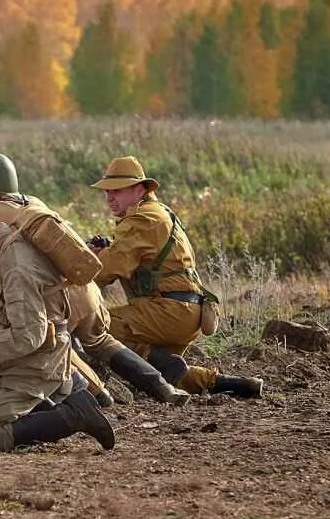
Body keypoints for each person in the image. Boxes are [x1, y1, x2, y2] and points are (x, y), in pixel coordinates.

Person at [0, 151, 190, 406]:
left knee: (51, 345)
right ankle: (162, 387)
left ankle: (98, 397)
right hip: (81, 284)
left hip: (55, 294)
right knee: (101, 341)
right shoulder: (32, 202)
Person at [0, 202, 116, 453]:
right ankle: (6, 406)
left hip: (38, 360)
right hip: (15, 353)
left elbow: (30, 336)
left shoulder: (15, 266)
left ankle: (74, 415)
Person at [89, 156, 263, 398]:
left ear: (140, 189)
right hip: (188, 313)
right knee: (164, 374)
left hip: (168, 312)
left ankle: (156, 360)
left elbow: (107, 270)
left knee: (96, 324)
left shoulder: (141, 219)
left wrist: (78, 264)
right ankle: (233, 384)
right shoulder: (159, 212)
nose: (109, 198)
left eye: (117, 190)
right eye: (107, 191)